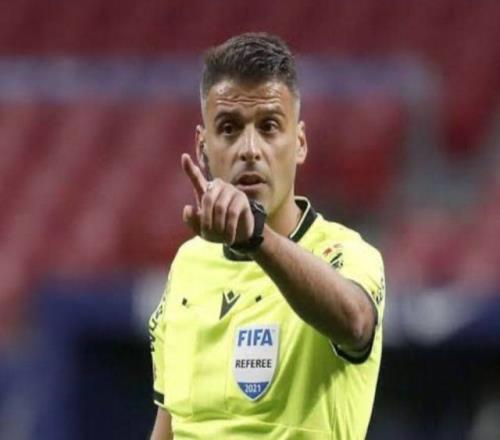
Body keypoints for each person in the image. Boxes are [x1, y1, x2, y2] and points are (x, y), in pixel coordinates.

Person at [149, 32, 385, 440]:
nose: (250, 149)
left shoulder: (348, 254)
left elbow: (355, 322)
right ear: (203, 147)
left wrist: (256, 237)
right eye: (229, 128)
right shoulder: (188, 264)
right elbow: (171, 421)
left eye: (269, 126)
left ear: (300, 143)